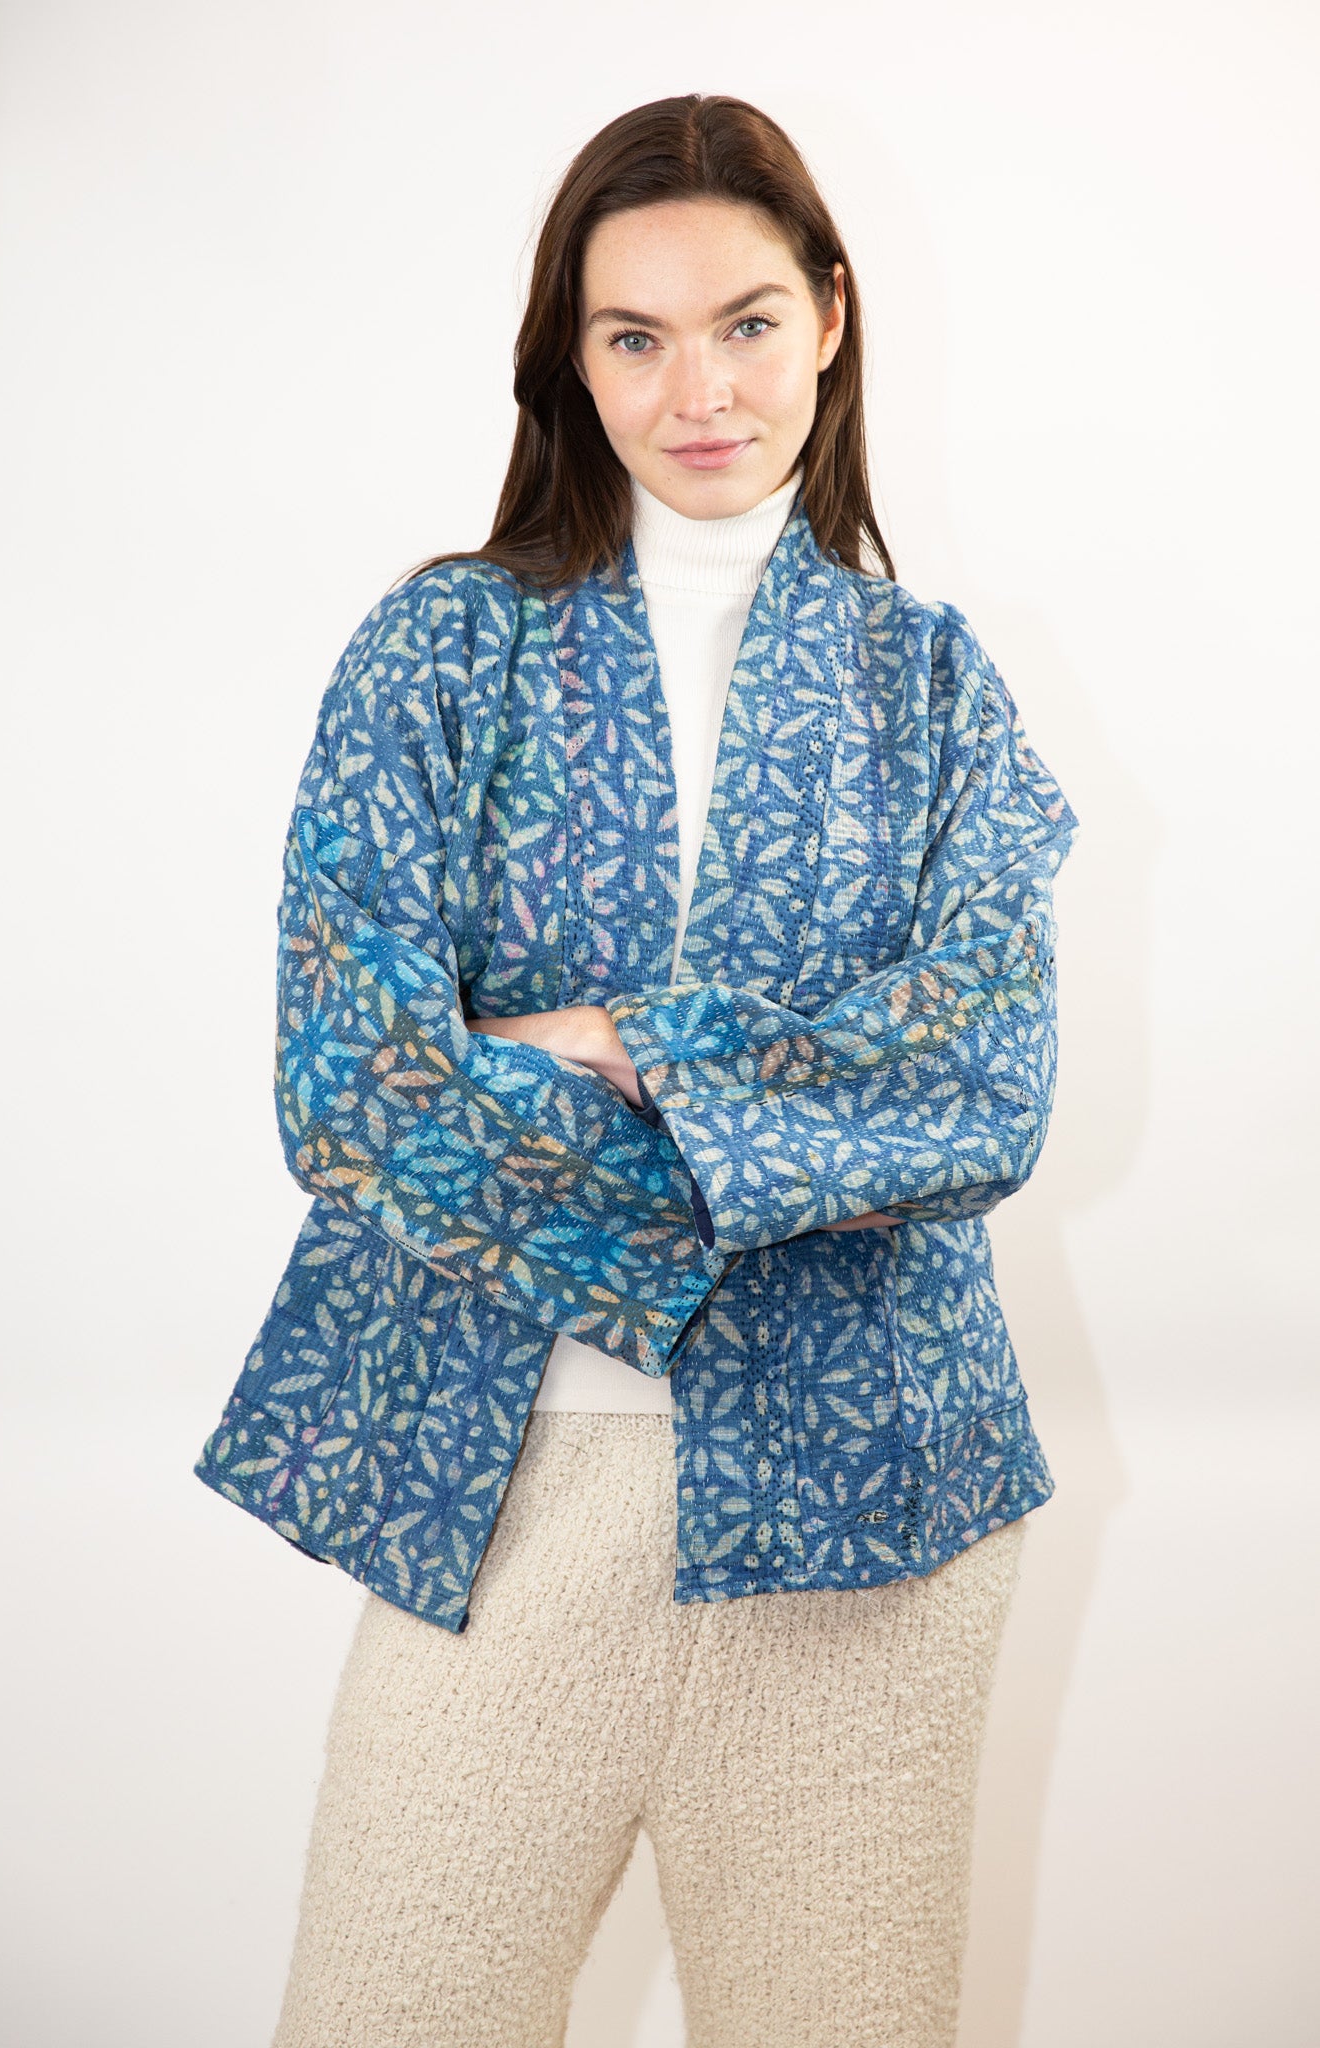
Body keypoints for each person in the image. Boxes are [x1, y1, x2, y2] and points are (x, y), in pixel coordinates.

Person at [193, 92, 1080, 2048]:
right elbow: (351, 1089)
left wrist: (611, 1047)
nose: (700, 389)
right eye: (634, 336)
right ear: (569, 359)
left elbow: (984, 1086)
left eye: (745, 323)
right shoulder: (440, 651)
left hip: (872, 1513)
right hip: (502, 1481)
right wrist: (789, 1131)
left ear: (827, 316)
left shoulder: (933, 685)